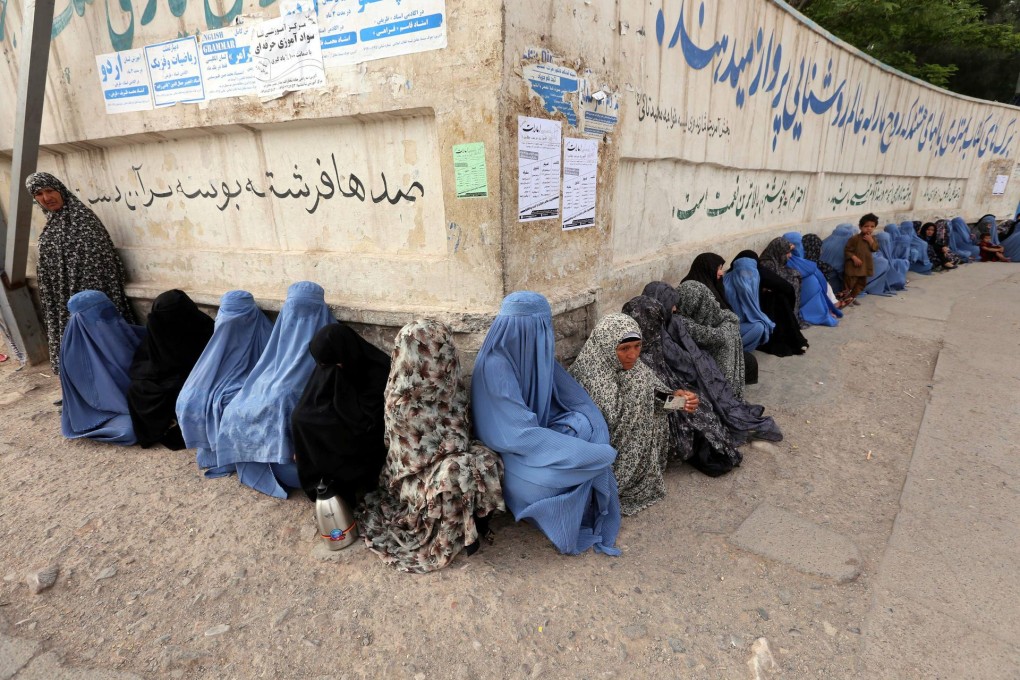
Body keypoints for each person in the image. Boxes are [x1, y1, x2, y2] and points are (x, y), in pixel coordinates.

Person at [470, 291, 621, 556]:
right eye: (541, 326)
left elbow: (576, 398)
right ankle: (559, 517)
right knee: (549, 481)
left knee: (584, 425)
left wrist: (597, 433)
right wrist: (585, 453)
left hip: (539, 435)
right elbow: (517, 434)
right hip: (511, 453)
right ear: (523, 328)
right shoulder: (494, 366)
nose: (546, 332)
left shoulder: (534, 350)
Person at [360, 320, 505, 573]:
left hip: (453, 453)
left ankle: (474, 521)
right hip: (414, 477)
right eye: (436, 350)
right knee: (453, 474)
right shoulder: (400, 402)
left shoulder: (450, 386)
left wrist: (456, 450)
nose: (443, 356)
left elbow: (462, 429)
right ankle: (462, 534)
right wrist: (452, 453)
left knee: (488, 459)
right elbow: (412, 456)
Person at [215, 281, 335, 499]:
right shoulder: (274, 356)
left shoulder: (332, 346)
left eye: (306, 311)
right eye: (293, 311)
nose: (298, 320)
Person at [569, 314, 696, 514]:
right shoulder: (592, 374)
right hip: (602, 453)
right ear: (607, 347)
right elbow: (606, 422)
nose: (633, 355)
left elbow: (655, 399)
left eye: (637, 346)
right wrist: (639, 396)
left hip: (633, 447)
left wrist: (679, 400)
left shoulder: (635, 369)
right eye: (624, 348)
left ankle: (639, 472)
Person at [642, 282, 783, 444]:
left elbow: (687, 360)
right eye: (672, 305)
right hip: (664, 402)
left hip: (674, 393)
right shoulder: (647, 350)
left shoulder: (672, 323)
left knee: (707, 404)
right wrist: (681, 397)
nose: (675, 309)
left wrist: (698, 377)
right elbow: (655, 396)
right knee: (703, 416)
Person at [25, 172, 136, 374]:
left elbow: (99, 267)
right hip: (63, 301)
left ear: (61, 190)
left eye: (49, 190)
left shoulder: (83, 221)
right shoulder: (53, 222)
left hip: (87, 305)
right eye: (38, 194)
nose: (46, 198)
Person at [622, 295, 744, 476]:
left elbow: (658, 386)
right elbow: (645, 399)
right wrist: (677, 401)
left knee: (698, 404)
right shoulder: (627, 361)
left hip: (662, 399)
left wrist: (678, 395)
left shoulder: (651, 344)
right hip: (643, 421)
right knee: (692, 415)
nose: (632, 353)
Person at [291, 323, 390, 507]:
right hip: (346, 418)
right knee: (303, 419)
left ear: (344, 353)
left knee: (325, 430)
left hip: (368, 437)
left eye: (332, 365)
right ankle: (324, 482)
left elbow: (370, 422)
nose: (326, 371)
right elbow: (311, 403)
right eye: (322, 365)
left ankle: (346, 485)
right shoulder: (332, 363)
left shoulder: (378, 371)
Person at [176, 290, 273, 476]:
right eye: (225, 317)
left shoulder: (265, 332)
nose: (228, 323)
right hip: (223, 380)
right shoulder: (217, 343)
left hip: (255, 380)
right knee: (192, 398)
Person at [127, 290, 214, 450]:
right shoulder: (159, 327)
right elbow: (146, 360)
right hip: (166, 373)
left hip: (197, 376)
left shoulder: (203, 327)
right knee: (139, 389)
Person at [59, 290, 146, 445]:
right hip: (109, 409)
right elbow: (96, 397)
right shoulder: (74, 354)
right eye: (101, 314)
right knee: (132, 429)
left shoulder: (124, 330)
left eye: (110, 311)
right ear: (81, 319)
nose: (110, 318)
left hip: (141, 395)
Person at [675, 280, 747, 397]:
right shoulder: (681, 321)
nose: (674, 308)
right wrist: (729, 326)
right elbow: (717, 335)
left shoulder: (707, 314)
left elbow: (728, 320)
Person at [731, 250, 807, 357]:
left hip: (756, 315)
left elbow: (786, 287)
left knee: (777, 300)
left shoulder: (756, 274)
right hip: (739, 323)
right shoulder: (728, 282)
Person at [783, 231, 845, 323]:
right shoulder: (784, 261)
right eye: (797, 244)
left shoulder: (801, 260)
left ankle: (827, 305)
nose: (799, 247)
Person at [722, 257, 774, 352]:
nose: (747, 276)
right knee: (759, 328)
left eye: (750, 272)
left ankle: (739, 353)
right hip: (727, 327)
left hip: (742, 325)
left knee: (761, 326)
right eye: (744, 272)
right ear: (735, 272)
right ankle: (730, 352)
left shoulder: (752, 281)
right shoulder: (726, 286)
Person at [758, 237, 804, 321]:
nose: (790, 255)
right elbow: (776, 281)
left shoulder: (776, 260)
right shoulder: (767, 264)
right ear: (779, 251)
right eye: (787, 252)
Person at [844, 214, 880, 302]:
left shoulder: (873, 238)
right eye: (866, 226)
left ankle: (852, 297)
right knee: (850, 284)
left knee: (861, 284)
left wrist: (871, 241)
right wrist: (854, 258)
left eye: (872, 226)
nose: (869, 228)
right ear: (860, 227)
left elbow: (875, 249)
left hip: (864, 266)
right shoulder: (855, 238)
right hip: (854, 267)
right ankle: (846, 299)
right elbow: (847, 250)